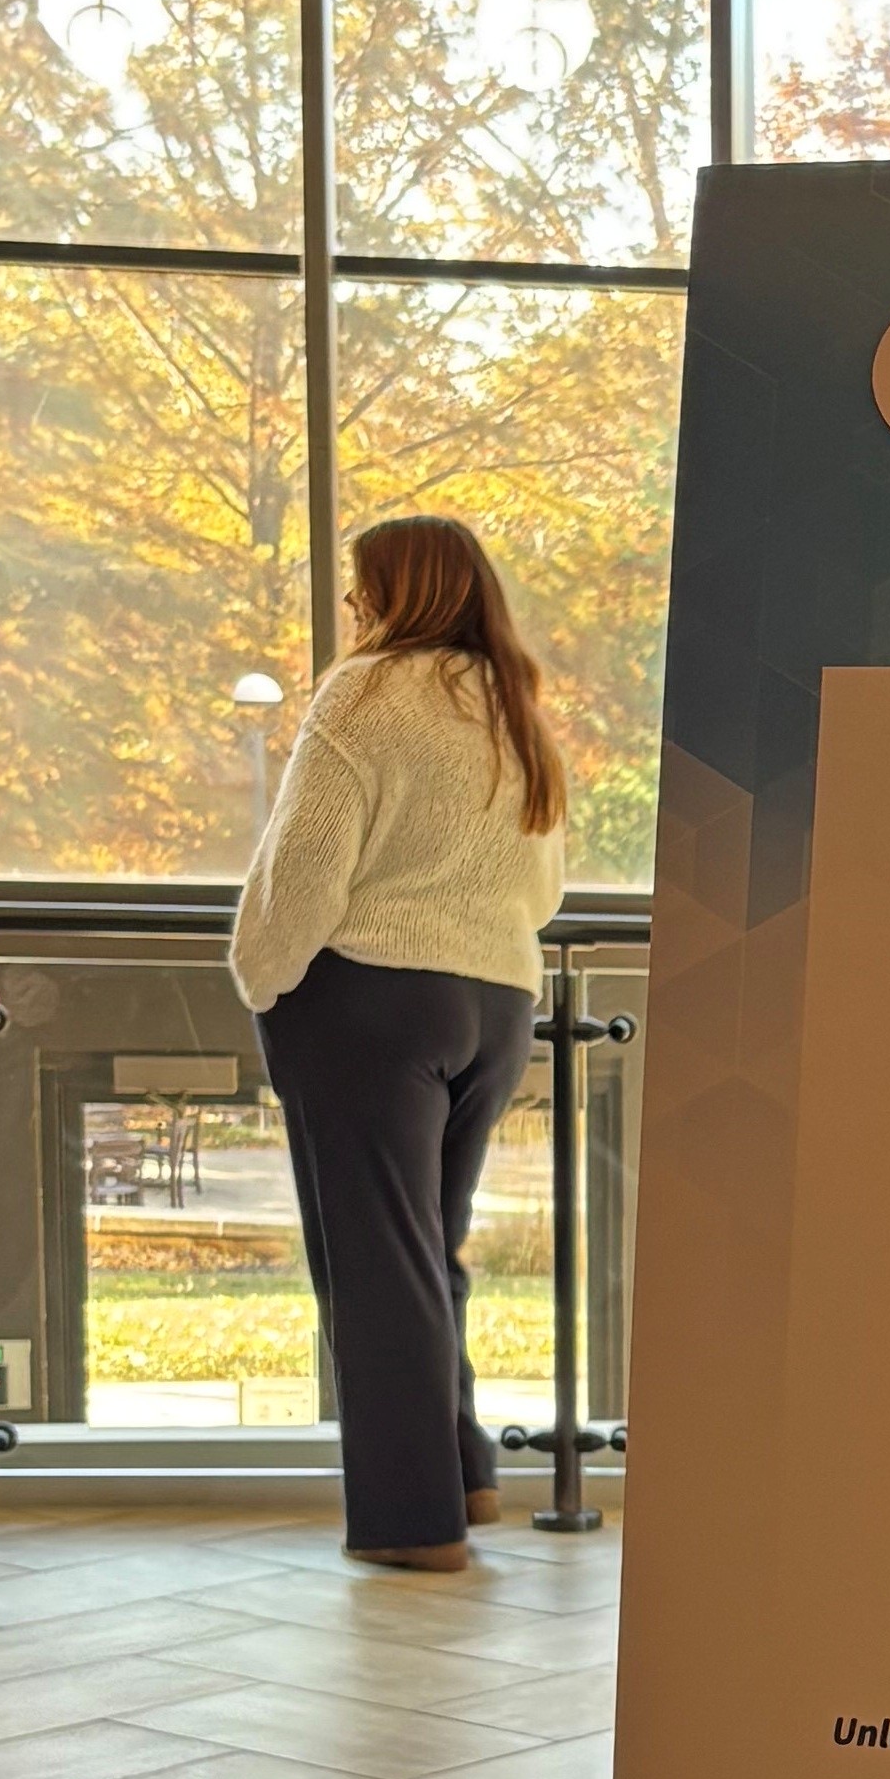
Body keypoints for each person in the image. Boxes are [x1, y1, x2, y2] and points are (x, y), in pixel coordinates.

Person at [232, 513, 570, 1569]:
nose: (351, 609)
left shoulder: (365, 693)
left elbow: (306, 867)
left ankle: (412, 1524)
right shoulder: (513, 704)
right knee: (426, 1248)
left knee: (376, 1264)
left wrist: (263, 980)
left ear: (394, 593)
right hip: (497, 1004)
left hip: (372, 1001)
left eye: (357, 589)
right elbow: (545, 887)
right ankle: (464, 1472)